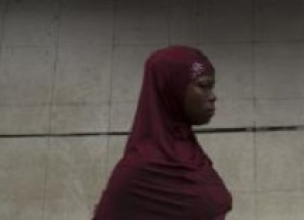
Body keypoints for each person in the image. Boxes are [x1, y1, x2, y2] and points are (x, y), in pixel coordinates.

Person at [94, 46, 232, 219]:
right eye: (203, 86)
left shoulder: (189, 153)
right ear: (173, 90)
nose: (213, 96)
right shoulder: (138, 170)